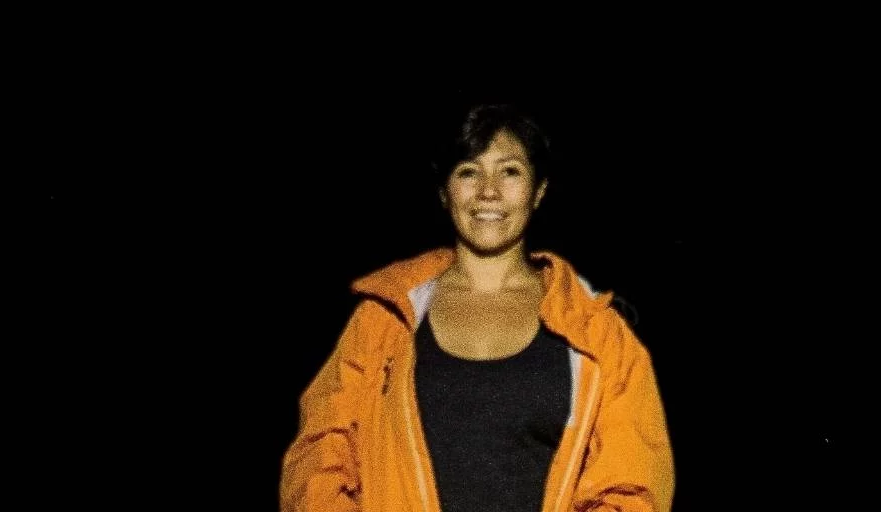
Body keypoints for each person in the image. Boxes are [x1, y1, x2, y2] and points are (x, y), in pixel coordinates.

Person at [279, 104, 675, 512]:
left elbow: (631, 488)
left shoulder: (597, 334)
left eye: (510, 171)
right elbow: (321, 455)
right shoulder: (385, 320)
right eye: (469, 171)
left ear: (538, 191)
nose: (489, 191)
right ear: (445, 192)